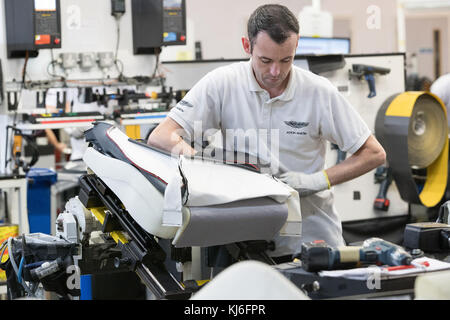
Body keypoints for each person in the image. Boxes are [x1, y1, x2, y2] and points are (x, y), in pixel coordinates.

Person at [147, 4, 386, 258]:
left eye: (286, 60)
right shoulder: (223, 83)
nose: (276, 72)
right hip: (244, 240)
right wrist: (208, 171)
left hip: (311, 239)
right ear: (247, 46)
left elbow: (373, 154)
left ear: (297, 46)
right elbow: (162, 136)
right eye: (266, 60)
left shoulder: (318, 91)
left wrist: (317, 180)